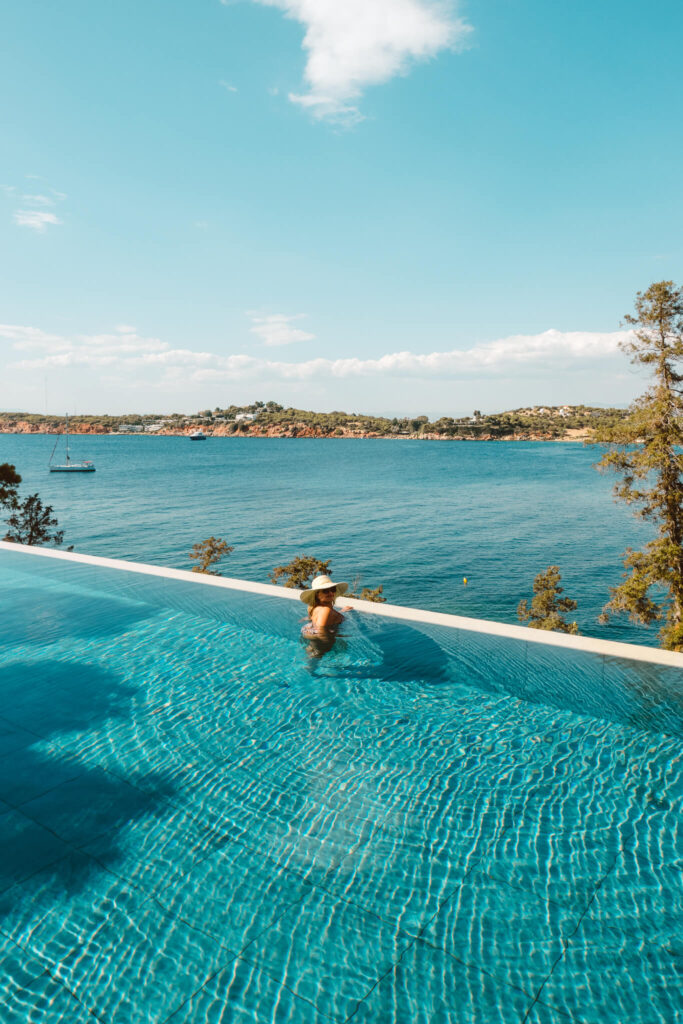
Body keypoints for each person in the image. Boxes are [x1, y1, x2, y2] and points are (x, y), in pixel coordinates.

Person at [300, 574, 352, 659]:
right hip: (322, 645)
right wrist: (338, 638)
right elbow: (321, 632)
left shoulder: (317, 608)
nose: (331, 593)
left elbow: (326, 619)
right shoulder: (326, 610)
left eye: (333, 589)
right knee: (333, 669)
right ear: (317, 594)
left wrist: (342, 611)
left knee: (311, 664)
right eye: (325, 591)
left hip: (315, 643)